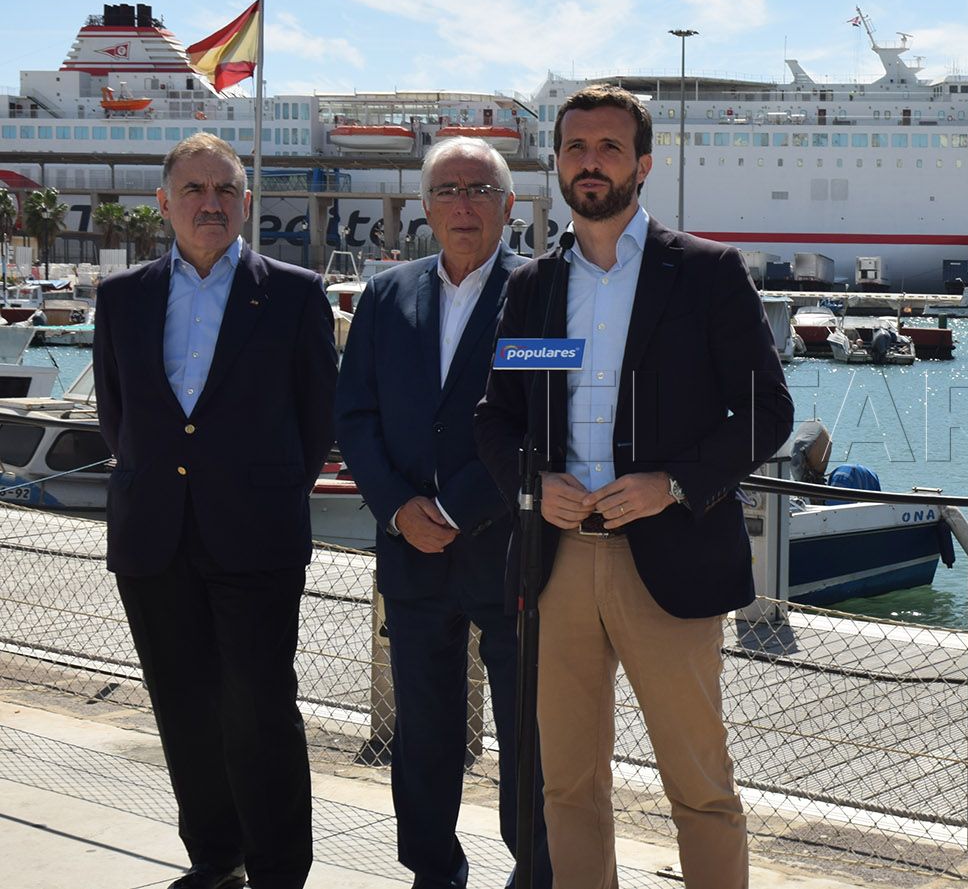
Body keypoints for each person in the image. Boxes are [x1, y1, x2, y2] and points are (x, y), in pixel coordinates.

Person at [474, 84, 793, 889]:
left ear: (643, 164)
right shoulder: (533, 287)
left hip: (672, 558)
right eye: (576, 148)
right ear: (556, 163)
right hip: (559, 564)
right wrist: (532, 484)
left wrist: (672, 484)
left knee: (699, 786)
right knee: (567, 786)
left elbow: (767, 409)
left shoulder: (707, 274)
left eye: (610, 148)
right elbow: (496, 416)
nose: (591, 163)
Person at [92, 132, 336, 889]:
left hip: (256, 535)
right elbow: (116, 415)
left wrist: (260, 491)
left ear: (246, 202)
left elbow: (315, 417)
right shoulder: (122, 297)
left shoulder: (294, 293)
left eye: (226, 189)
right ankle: (215, 857)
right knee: (181, 706)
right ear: (164, 202)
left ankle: (278, 870)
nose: (211, 203)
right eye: (194, 190)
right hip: (154, 534)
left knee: (260, 706)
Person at [334, 137, 552, 888]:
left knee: (527, 732)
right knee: (423, 731)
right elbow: (353, 413)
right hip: (412, 552)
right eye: (448, 190)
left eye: (480, 189)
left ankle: (535, 870)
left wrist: (455, 506)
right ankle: (432, 871)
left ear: (509, 205)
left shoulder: (542, 296)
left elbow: (541, 421)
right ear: (425, 207)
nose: (464, 204)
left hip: (510, 551)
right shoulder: (386, 295)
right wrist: (397, 506)